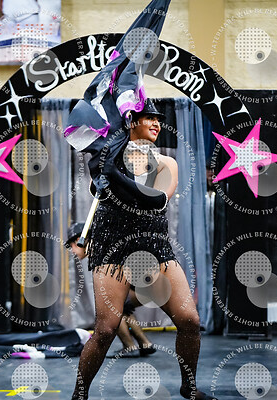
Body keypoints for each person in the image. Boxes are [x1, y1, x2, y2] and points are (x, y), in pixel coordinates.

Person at [71, 100, 216, 400]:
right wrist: (105, 168)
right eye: (149, 117)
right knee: (106, 330)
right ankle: (79, 395)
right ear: (131, 121)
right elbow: (100, 189)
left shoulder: (166, 163)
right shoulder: (106, 160)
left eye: (158, 119)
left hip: (154, 248)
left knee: (190, 321)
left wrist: (114, 175)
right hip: (113, 249)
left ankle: (189, 388)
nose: (156, 123)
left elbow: (156, 200)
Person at [66, 222, 156, 358]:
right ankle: (145, 344)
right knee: (121, 308)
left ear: (79, 240)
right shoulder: (101, 247)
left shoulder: (99, 251)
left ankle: (129, 347)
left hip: (144, 284)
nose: (72, 251)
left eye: (71, 246)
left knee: (110, 307)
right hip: (149, 285)